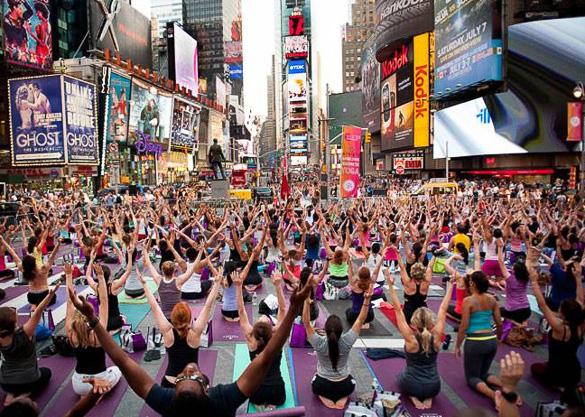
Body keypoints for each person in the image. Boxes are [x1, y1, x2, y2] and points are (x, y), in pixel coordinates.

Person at [66, 272, 312, 417]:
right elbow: (267, 356)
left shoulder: (167, 401)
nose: (190, 369)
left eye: (184, 375)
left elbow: (122, 359)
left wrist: (93, 318)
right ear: (206, 387)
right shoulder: (221, 400)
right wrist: (291, 309)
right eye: (194, 376)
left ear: (174, 387)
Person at [137, 267, 221, 387]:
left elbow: (155, 306)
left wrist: (145, 285)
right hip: (192, 382)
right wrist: (217, 283)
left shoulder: (167, 332)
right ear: (189, 318)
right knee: (206, 383)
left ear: (173, 318)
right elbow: (208, 305)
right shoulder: (195, 332)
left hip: (169, 383)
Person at [385, 269, 454, 409]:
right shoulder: (436, 337)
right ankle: (428, 397)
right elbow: (443, 309)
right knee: (424, 381)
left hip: (411, 384)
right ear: (430, 322)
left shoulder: (411, 339)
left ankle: (413, 397)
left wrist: (390, 285)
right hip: (434, 386)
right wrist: (451, 286)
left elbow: (398, 309)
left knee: (400, 377)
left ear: (414, 323)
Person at [302, 282, 373, 409]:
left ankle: (326, 397)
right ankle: (341, 398)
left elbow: (306, 323)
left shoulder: (318, 342)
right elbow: (361, 320)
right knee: (351, 383)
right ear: (341, 330)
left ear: (325, 330)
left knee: (314, 382)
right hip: (345, 386)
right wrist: (366, 300)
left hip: (322, 385)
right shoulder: (347, 340)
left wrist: (306, 303)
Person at [527, 248, 584, 405]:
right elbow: (580, 301)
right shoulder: (580, 326)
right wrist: (578, 278)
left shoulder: (560, 327)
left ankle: (560, 386)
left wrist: (533, 281)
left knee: (535, 368)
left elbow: (543, 305)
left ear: (563, 314)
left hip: (558, 373)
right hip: (575, 372)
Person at [65, 263, 121, 398]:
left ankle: (86, 395)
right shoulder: (98, 334)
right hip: (100, 381)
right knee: (116, 370)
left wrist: (68, 275)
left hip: (78, 384)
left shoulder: (71, 333)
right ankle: (97, 394)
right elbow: (104, 301)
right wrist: (101, 277)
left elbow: (69, 302)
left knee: (80, 380)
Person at [234, 270, 287, 410]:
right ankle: (271, 406)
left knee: (252, 395)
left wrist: (238, 287)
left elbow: (241, 311)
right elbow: (282, 309)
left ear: (255, 328)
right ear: (272, 328)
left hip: (256, 391)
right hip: (278, 393)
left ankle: (259, 404)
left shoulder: (251, 339)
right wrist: (278, 286)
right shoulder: (277, 338)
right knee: (276, 396)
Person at [0, 284, 58, 406]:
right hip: (28, 380)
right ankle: (23, 396)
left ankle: (10, 394)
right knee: (46, 373)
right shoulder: (25, 333)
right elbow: (38, 312)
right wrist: (49, 296)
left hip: (5, 382)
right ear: (13, 321)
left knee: (13, 382)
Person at [456, 270, 503, 402]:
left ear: (473, 283)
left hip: (475, 342)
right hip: (491, 340)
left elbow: (464, 327)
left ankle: (495, 397)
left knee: (472, 378)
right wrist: (498, 338)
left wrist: (458, 346)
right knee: (483, 374)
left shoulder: (468, 301)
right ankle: (507, 388)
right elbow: (499, 323)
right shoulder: (492, 299)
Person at [1, 236, 60, 307]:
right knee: (54, 297)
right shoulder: (43, 270)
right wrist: (58, 244)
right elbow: (52, 256)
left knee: (38, 300)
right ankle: (38, 304)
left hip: (31, 296)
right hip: (44, 294)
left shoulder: (23, 269)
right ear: (34, 263)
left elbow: (12, 253)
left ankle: (34, 304)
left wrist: (2, 240)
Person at [86, 249, 133, 333]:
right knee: (123, 317)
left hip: (102, 323)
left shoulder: (96, 287)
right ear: (109, 275)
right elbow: (128, 271)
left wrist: (91, 259)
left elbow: (88, 276)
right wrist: (129, 255)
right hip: (114, 323)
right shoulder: (113, 286)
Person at [497, 242, 530, 324]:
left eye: (513, 268)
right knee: (520, 318)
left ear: (515, 271)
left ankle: (516, 324)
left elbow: (500, 262)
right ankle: (521, 323)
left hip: (513, 310)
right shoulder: (526, 278)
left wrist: (500, 247)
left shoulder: (510, 278)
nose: (512, 268)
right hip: (527, 310)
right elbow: (528, 261)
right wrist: (529, 249)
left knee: (496, 312)